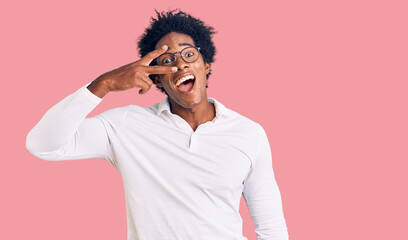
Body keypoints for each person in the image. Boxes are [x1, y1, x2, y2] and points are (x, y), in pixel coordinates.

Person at [26, 9, 289, 240]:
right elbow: (43, 145)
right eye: (167, 60)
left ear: (206, 66)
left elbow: (271, 224)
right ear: (157, 80)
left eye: (189, 54)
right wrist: (102, 84)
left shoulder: (248, 133)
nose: (180, 64)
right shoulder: (126, 125)